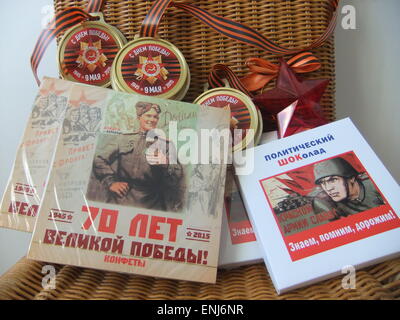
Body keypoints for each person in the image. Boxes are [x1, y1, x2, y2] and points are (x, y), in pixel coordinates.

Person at [91, 101, 185, 212]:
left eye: (155, 117)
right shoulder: (123, 139)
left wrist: (166, 163)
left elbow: (177, 177)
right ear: (139, 117)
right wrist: (111, 182)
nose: (152, 120)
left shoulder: (166, 145)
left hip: (152, 201)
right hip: (121, 198)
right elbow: (98, 158)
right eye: (148, 115)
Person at [312, 157, 384, 219]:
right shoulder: (326, 201)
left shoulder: (374, 185)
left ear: (351, 178)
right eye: (322, 183)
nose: (328, 188)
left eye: (333, 180)